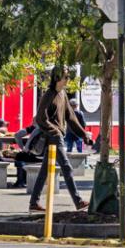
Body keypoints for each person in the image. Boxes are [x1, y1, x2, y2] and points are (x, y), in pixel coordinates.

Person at [28, 70, 91, 213]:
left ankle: (33, 202)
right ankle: (78, 201)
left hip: (58, 136)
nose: (68, 79)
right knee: (67, 167)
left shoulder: (63, 95)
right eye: (66, 77)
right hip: (54, 136)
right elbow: (40, 118)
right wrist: (54, 130)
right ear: (57, 78)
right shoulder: (49, 95)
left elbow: (71, 118)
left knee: (44, 171)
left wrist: (84, 135)